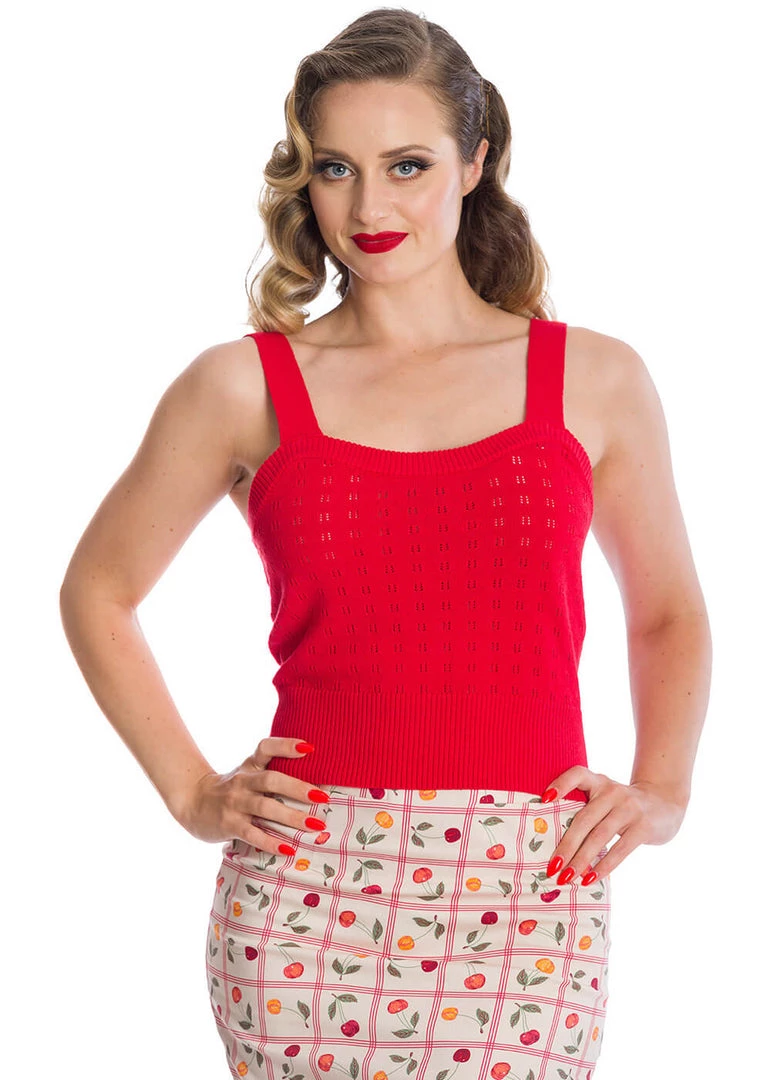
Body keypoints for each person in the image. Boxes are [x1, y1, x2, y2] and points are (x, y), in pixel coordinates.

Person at [59, 8, 711, 1078]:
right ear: (304, 180)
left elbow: (668, 612)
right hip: (304, 889)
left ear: (476, 162)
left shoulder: (594, 379)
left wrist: (664, 790)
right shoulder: (242, 386)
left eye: (408, 165)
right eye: (336, 169)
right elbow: (98, 589)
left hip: (528, 883)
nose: (369, 207)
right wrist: (192, 792)